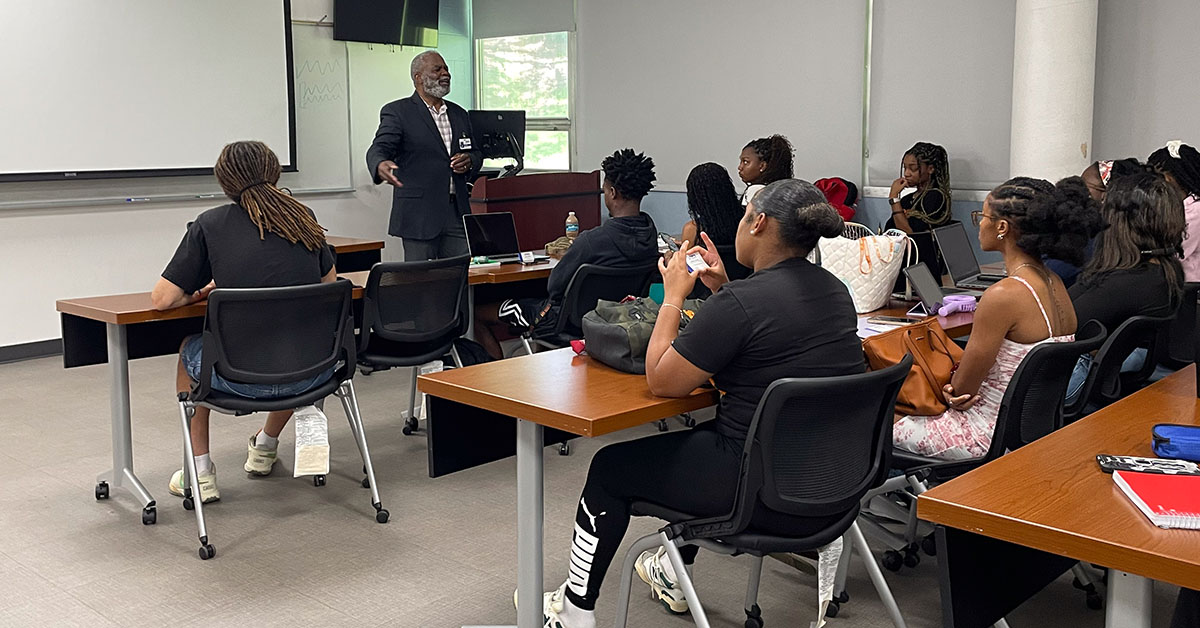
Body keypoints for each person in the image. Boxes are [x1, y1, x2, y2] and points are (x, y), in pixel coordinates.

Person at [533, 180, 864, 627]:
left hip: (756, 491)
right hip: (829, 484)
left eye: (745, 217)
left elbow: (663, 379)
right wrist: (724, 289)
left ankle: (574, 613)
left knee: (610, 469)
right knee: (702, 438)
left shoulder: (742, 303)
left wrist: (673, 297)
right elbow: (768, 335)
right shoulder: (834, 291)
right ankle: (672, 571)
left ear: (759, 222)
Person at [151, 141, 338, 503]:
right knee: (290, 342)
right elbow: (328, 286)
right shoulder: (303, 217)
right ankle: (266, 447)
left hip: (237, 377)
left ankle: (200, 472)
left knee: (190, 349)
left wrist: (198, 295)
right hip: (312, 373)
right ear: (274, 171)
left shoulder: (210, 224)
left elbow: (162, 300)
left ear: (225, 181)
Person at [893, 176, 1102, 460]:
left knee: (873, 418)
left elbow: (962, 390)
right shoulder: (1054, 283)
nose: (979, 223)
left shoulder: (1003, 295)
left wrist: (951, 389)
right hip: (1027, 431)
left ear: (1002, 227)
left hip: (983, 434)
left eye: (982, 216)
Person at [473, 149, 660, 360]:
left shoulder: (591, 241)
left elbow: (554, 286)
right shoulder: (650, 236)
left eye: (604, 190)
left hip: (566, 323)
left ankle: (492, 385)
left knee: (478, 312)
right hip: (618, 320)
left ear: (613, 193)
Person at [1064, 172, 1186, 405]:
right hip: (1108, 377)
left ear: (1118, 222)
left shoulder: (1127, 283)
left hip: (1073, 385)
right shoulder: (1163, 269)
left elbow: (1059, 324)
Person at [366, 50, 482, 261]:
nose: (445, 73)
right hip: (419, 215)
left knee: (462, 278)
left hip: (456, 212)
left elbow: (475, 152)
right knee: (420, 282)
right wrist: (379, 164)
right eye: (437, 69)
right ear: (418, 77)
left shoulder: (459, 114)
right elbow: (380, 147)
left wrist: (470, 161)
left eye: (446, 68)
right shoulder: (398, 112)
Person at [678, 162, 751, 287]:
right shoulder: (746, 222)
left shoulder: (693, 230)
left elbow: (685, 270)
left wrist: (671, 257)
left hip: (704, 295)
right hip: (743, 290)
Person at [887, 142, 952, 280]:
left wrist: (894, 199)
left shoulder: (936, 198)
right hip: (900, 265)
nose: (906, 173)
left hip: (920, 269)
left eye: (913, 168)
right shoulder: (907, 200)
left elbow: (910, 236)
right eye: (905, 168)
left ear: (931, 169)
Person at [1148, 140, 1200, 282]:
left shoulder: (1195, 210)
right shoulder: (1173, 204)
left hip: (1188, 285)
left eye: (1159, 176)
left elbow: (1175, 252)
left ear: (1172, 178)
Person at [737, 134, 794, 204]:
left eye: (746, 162)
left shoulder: (755, 191)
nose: (740, 167)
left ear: (762, 166)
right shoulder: (783, 190)